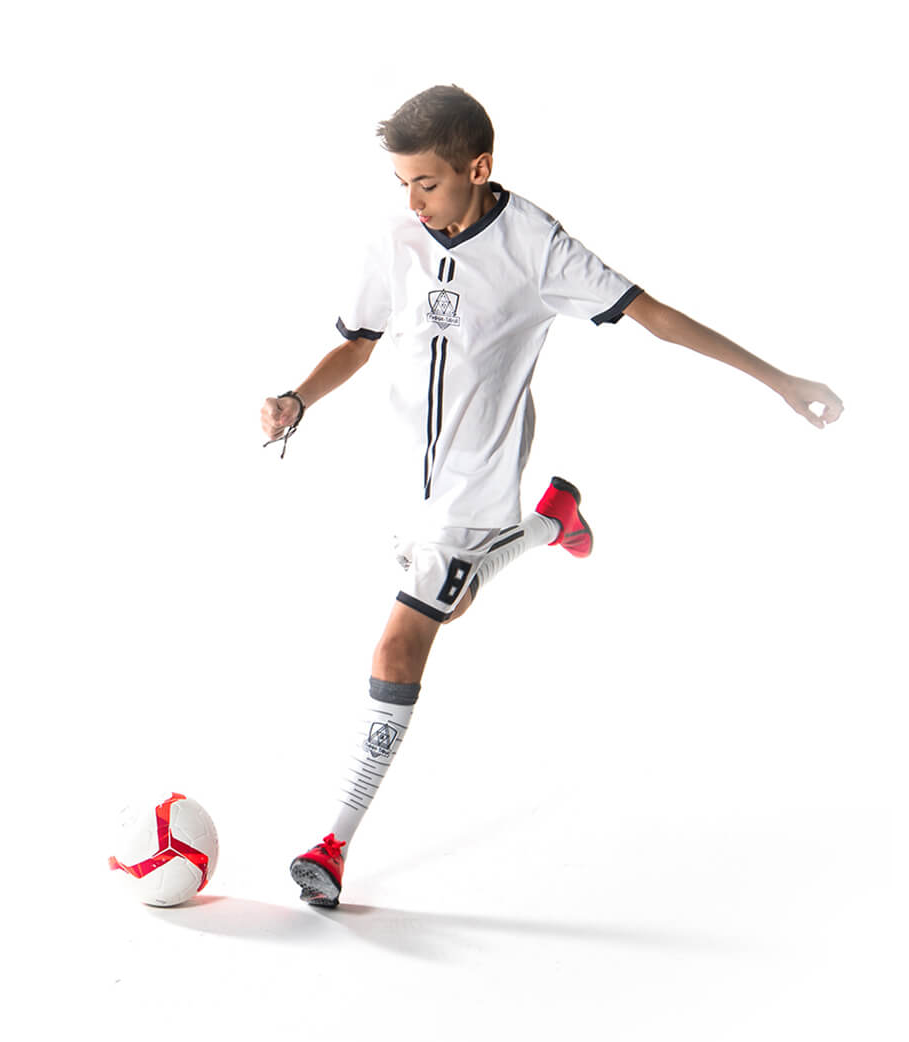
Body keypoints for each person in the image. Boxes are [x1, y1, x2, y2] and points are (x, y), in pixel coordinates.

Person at [259, 85, 843, 909]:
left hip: (472, 490)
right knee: (450, 604)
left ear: (478, 168)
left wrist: (779, 380)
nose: (414, 201)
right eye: (402, 184)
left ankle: (333, 843)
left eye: (427, 182)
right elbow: (357, 343)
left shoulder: (534, 245)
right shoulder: (395, 239)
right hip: (399, 481)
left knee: (397, 648)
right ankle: (550, 523)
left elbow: (656, 316)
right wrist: (298, 399)